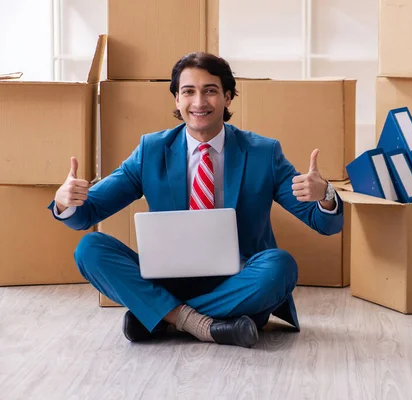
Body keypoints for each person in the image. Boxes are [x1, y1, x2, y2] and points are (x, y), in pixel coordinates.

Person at [47, 52, 344, 348]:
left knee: (281, 266)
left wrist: (326, 195)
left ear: (228, 98)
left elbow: (323, 223)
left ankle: (162, 315)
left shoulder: (263, 153)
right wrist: (66, 201)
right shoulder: (151, 150)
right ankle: (209, 325)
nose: (199, 102)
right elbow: (88, 212)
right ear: (177, 100)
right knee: (90, 248)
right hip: (167, 277)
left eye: (210, 91)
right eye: (188, 91)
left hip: (238, 279)